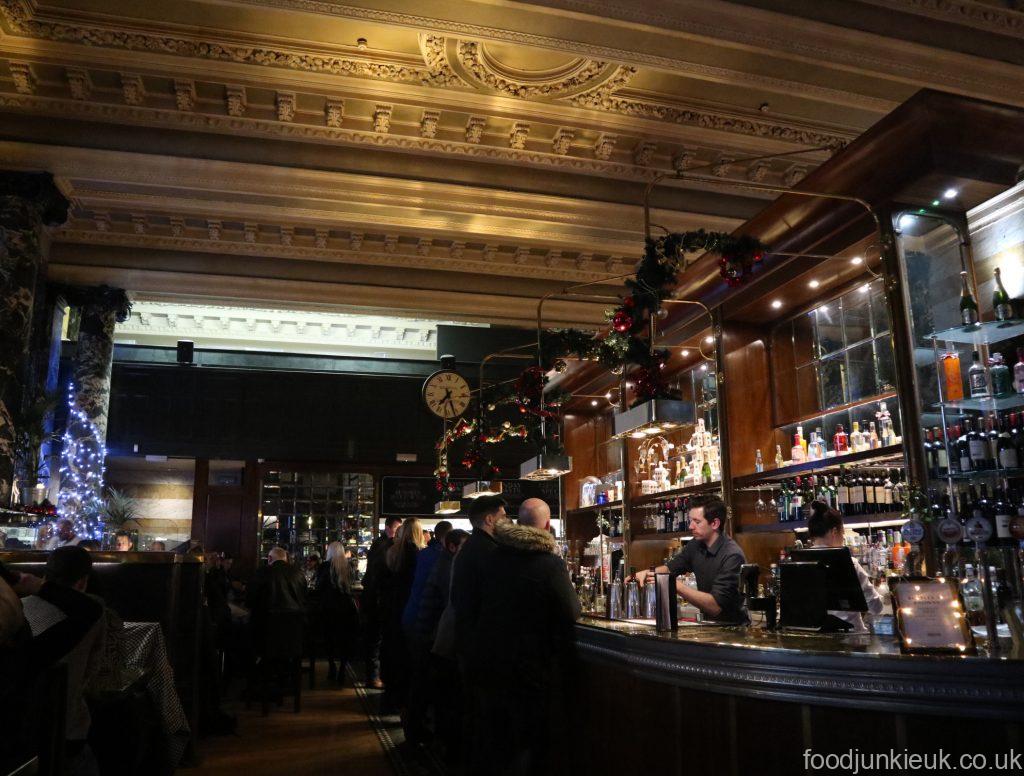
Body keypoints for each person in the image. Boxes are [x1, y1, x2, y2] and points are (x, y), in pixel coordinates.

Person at [474, 497, 581, 775]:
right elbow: (571, 611)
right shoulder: (548, 563)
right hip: (528, 665)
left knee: (497, 737)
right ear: (548, 525)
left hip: (489, 659)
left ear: (519, 523)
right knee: (529, 739)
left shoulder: (493, 557)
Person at [20, 547, 107, 775]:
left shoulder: (18, 608)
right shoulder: (93, 615)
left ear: (45, 575)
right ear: (82, 582)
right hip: (67, 731)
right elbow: (92, 674)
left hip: (18, 731)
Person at [450, 495, 507, 771]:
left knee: (473, 712)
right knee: (485, 717)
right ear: (489, 519)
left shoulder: (471, 548)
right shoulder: (488, 552)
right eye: (503, 516)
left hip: (468, 641)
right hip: (482, 646)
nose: (506, 521)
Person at [634, 496, 749, 624]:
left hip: (733, 631)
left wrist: (673, 584)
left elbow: (715, 607)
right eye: (690, 520)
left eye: (697, 522)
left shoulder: (732, 556)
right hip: (709, 627)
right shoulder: (696, 545)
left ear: (715, 523)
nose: (691, 526)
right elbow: (671, 567)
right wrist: (647, 573)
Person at [401, 520, 452, 744]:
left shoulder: (423, 555)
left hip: (411, 616)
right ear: (448, 542)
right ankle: (419, 730)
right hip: (425, 622)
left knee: (418, 676)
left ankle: (414, 726)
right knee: (424, 678)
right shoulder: (440, 560)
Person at [805, 500, 884, 632]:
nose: (842, 537)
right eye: (842, 533)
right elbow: (876, 607)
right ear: (834, 531)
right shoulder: (848, 562)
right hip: (850, 640)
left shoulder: (799, 561)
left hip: (813, 638)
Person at [379, 518, 425, 714]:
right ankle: (404, 702)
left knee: (392, 652)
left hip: (391, 608)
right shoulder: (418, 555)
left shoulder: (391, 552)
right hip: (408, 607)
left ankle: (390, 696)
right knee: (407, 658)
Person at [361, 515, 401, 688]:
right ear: (389, 528)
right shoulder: (386, 546)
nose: (400, 532)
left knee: (375, 638)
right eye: (398, 529)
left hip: (373, 598)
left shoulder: (378, 544)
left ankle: (374, 675)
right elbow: (380, 574)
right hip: (378, 599)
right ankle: (374, 676)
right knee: (377, 639)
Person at [316, 541, 359, 684]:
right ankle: (342, 669)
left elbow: (318, 587)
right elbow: (353, 584)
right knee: (344, 640)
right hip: (346, 608)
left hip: (328, 607)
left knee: (329, 639)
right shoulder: (349, 566)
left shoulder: (324, 567)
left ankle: (331, 666)